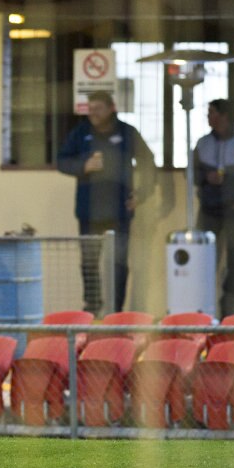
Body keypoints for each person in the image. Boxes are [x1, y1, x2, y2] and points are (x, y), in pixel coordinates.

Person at [57, 90, 156, 315]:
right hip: (88, 212)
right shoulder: (81, 133)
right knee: (89, 264)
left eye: (98, 108)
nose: (93, 113)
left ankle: (116, 312)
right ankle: (91, 309)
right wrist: (83, 166)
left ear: (111, 108)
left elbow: (148, 161)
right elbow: (62, 161)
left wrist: (142, 193)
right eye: (90, 109)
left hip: (119, 211)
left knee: (118, 265)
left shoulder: (127, 132)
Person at [193, 99, 234, 316]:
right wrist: (206, 177)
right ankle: (202, 310)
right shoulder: (203, 144)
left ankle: (228, 313)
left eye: (211, 113)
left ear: (224, 116)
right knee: (202, 260)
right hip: (209, 211)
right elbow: (193, 174)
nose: (208, 117)